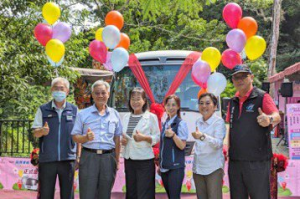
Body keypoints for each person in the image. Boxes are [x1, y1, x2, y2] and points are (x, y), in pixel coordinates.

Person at [226, 64, 281, 199]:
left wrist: (268, 119)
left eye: (243, 76)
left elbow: (277, 116)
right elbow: (230, 127)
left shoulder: (262, 96)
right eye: (236, 77)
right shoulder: (232, 101)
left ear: (251, 77)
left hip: (257, 161)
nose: (240, 80)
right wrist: (227, 149)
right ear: (232, 81)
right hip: (236, 161)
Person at [71, 80, 122, 199]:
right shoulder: (83, 114)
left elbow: (117, 138)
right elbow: (75, 136)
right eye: (97, 93)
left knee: (105, 193)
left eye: (103, 93)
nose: (100, 96)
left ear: (108, 94)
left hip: (108, 158)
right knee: (87, 193)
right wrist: (85, 138)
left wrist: (117, 160)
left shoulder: (115, 114)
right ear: (92, 95)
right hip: (89, 157)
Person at [32, 77, 79, 199]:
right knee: (45, 194)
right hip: (47, 160)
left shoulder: (74, 110)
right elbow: (35, 133)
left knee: (67, 195)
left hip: (68, 159)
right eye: (56, 88)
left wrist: (78, 157)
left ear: (67, 91)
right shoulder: (43, 109)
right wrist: (41, 131)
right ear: (51, 90)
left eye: (62, 88)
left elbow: (78, 136)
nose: (59, 91)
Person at [121, 87, 160, 199]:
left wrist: (144, 138)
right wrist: (123, 141)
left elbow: (157, 137)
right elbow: (124, 136)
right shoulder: (126, 117)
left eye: (138, 99)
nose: (135, 102)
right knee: (131, 192)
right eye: (133, 99)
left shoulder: (151, 117)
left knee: (144, 193)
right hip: (129, 159)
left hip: (144, 160)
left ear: (144, 101)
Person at [192, 93, 226, 199]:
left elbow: (218, 144)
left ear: (215, 106)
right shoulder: (198, 121)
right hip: (198, 168)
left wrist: (203, 136)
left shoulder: (218, 122)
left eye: (207, 103)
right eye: (201, 103)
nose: (204, 106)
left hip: (213, 168)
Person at [159, 95, 189, 199]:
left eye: (173, 105)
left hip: (175, 168)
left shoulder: (181, 124)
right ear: (165, 107)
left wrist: (173, 135)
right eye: (168, 105)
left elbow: (182, 146)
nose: (170, 107)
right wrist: (160, 163)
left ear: (178, 107)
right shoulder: (165, 123)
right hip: (164, 167)